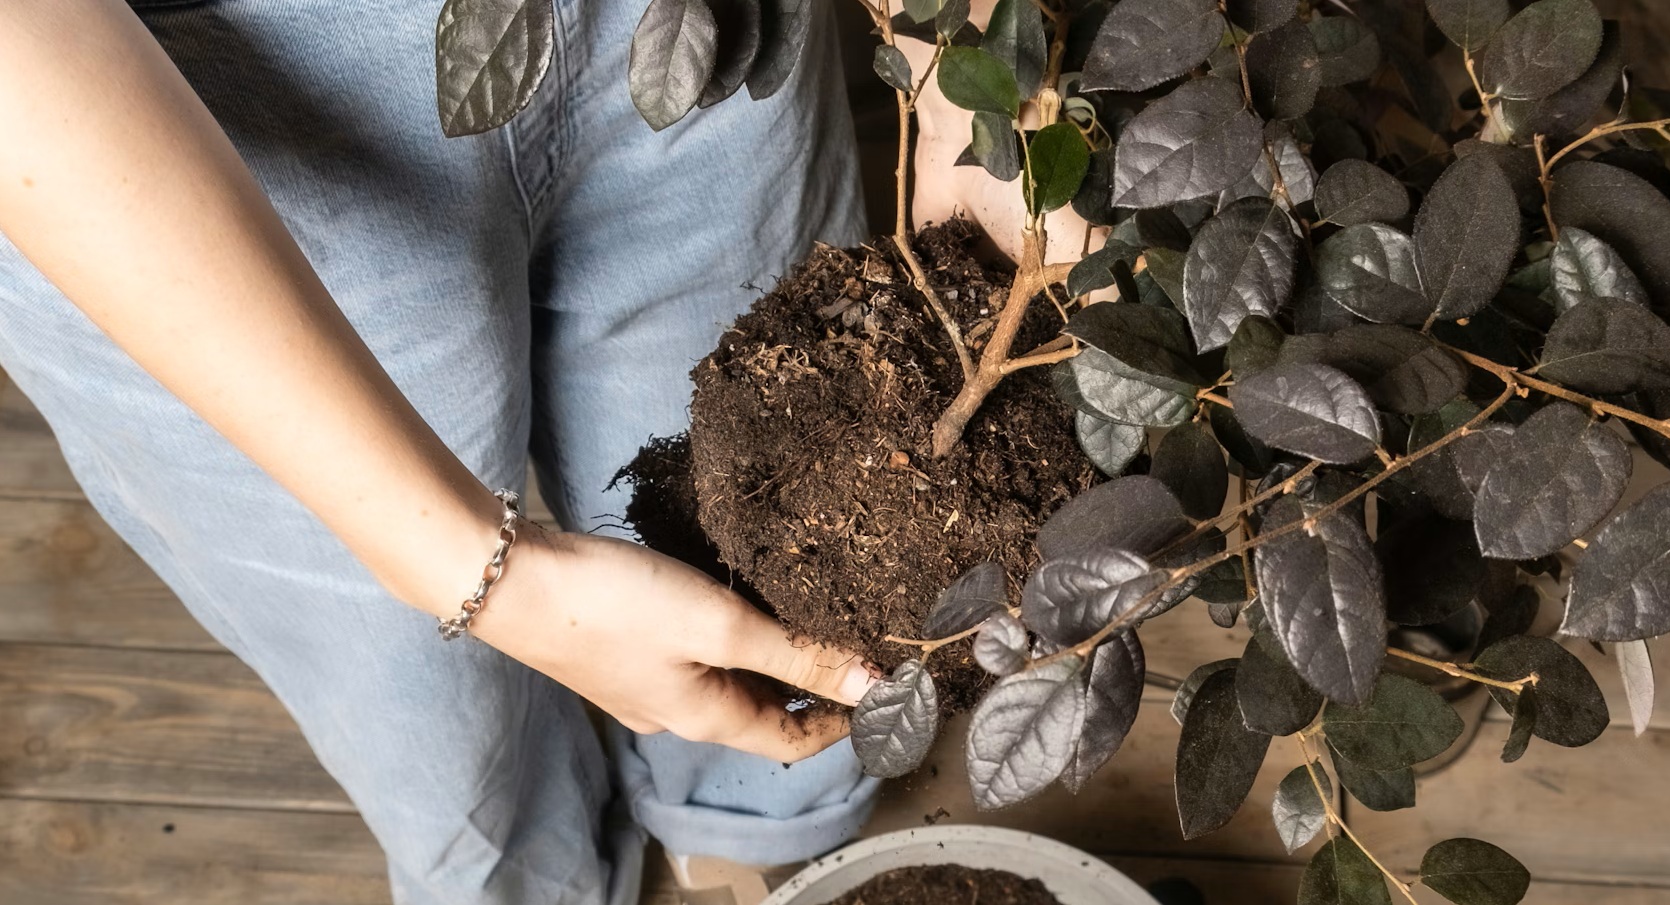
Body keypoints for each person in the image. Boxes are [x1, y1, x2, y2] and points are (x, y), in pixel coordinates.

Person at [0, 1, 1067, 902]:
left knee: (779, 547)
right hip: (143, 125)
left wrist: (966, 58)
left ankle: (746, 840)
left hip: (696, 40)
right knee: (425, 696)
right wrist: (485, 575)